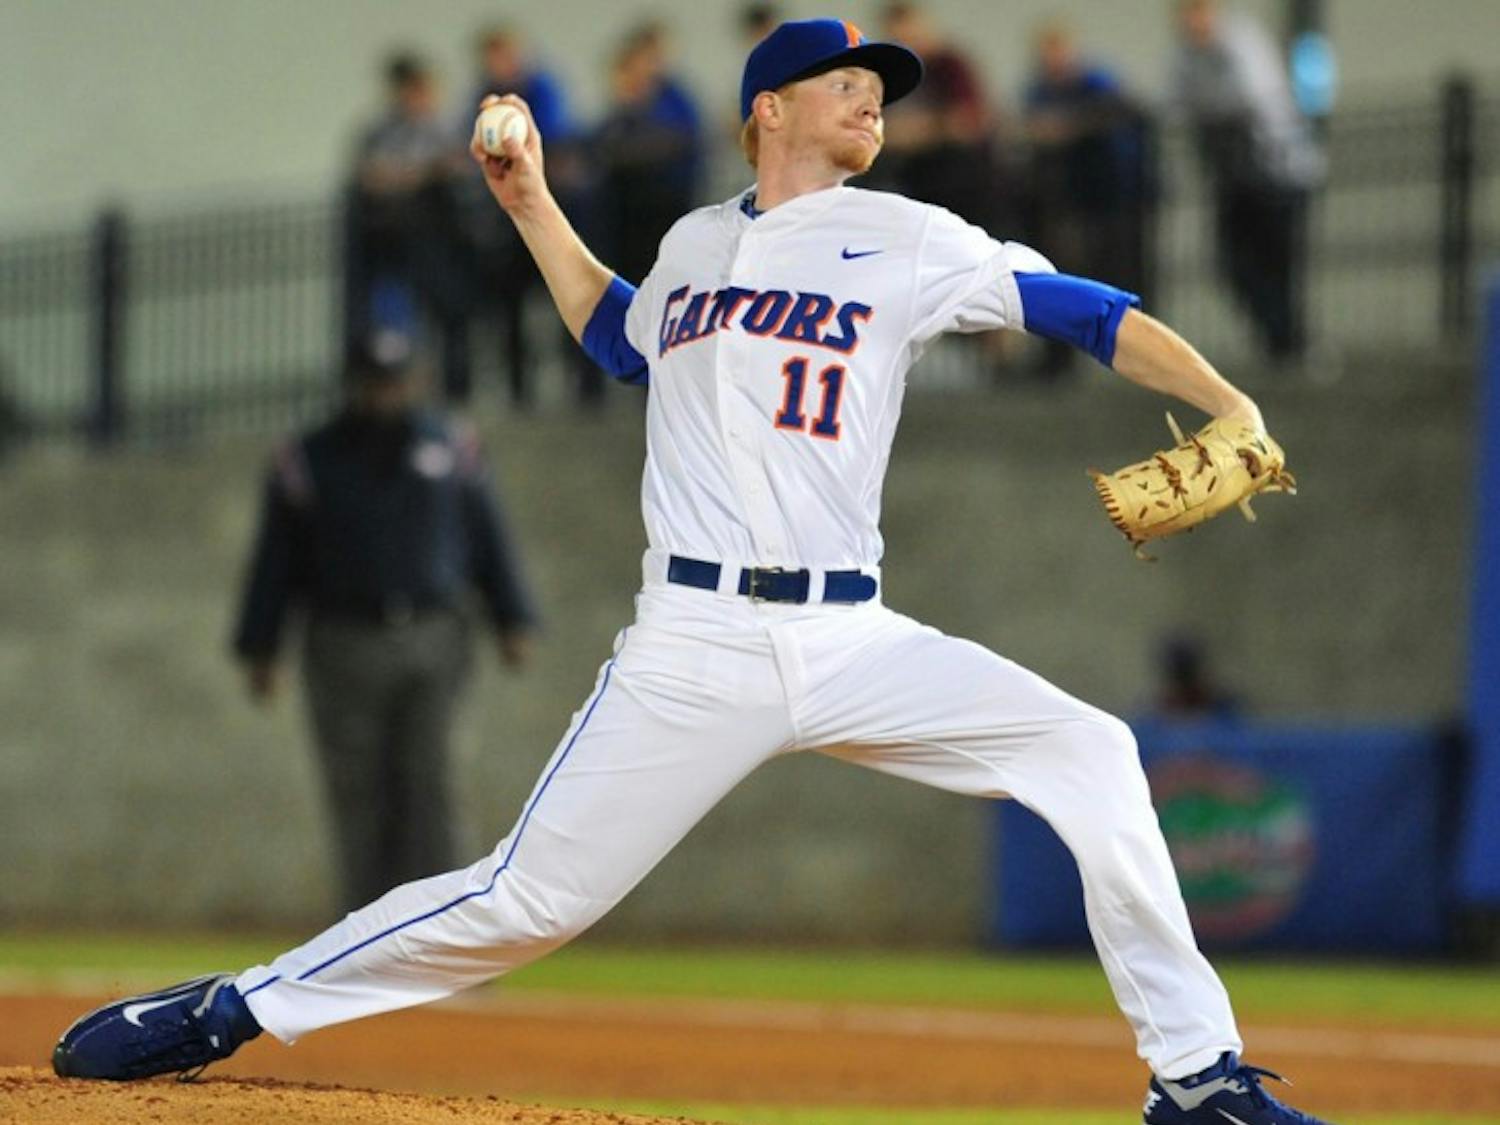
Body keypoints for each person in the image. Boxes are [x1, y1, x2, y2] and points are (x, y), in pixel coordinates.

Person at [52, 18, 1331, 1124]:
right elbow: (621, 338)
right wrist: (528, 201)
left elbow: (1092, 313)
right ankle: (234, 1008)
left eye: (880, 87)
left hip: (853, 638)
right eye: (845, 83)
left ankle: (1194, 1080)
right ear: (768, 109)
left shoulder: (910, 237)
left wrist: (1230, 403)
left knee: (1092, 751)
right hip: (696, 643)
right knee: (526, 902)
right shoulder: (693, 247)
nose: (873, 99)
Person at [230, 331, 537, 913]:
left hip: (435, 635)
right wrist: (261, 647)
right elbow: (276, 559)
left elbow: (487, 536)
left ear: (416, 381)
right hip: (342, 642)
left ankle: (444, 930)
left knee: (434, 783)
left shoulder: (453, 445)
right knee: (358, 792)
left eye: (395, 383)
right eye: (374, 384)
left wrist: (512, 617)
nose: (385, 396)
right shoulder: (309, 458)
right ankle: (365, 934)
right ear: (353, 385)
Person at [1167, 0, 1324, 365]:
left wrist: (1204, 108)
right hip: (1233, 178)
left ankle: (1290, 344)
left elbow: (1248, 96)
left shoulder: (1242, 42)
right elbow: (1172, 102)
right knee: (1232, 264)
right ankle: (1278, 339)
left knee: (1279, 263)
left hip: (1278, 173)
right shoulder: (1185, 55)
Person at [459, 25, 602, 410]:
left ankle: (585, 389)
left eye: (504, 54)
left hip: (557, 216)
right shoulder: (482, 97)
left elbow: (561, 142)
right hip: (510, 225)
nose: (499, 64)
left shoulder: (544, 89)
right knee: (510, 310)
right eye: (492, 56)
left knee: (571, 300)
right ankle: (519, 392)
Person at [1022, 19, 1153, 377]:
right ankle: (1061, 358)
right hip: (1067, 201)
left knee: (1119, 272)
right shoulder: (1040, 91)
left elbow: (1125, 113)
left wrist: (1067, 128)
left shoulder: (1098, 83)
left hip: (1113, 197)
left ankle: (1133, 354)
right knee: (1064, 273)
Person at [345, 52, 473, 400]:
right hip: (392, 245)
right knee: (394, 324)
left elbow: (458, 169)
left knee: (449, 320)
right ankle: (401, 390)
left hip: (439, 246)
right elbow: (371, 176)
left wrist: (412, 174)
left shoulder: (447, 130)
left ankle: (453, 390)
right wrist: (422, 172)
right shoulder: (380, 132)